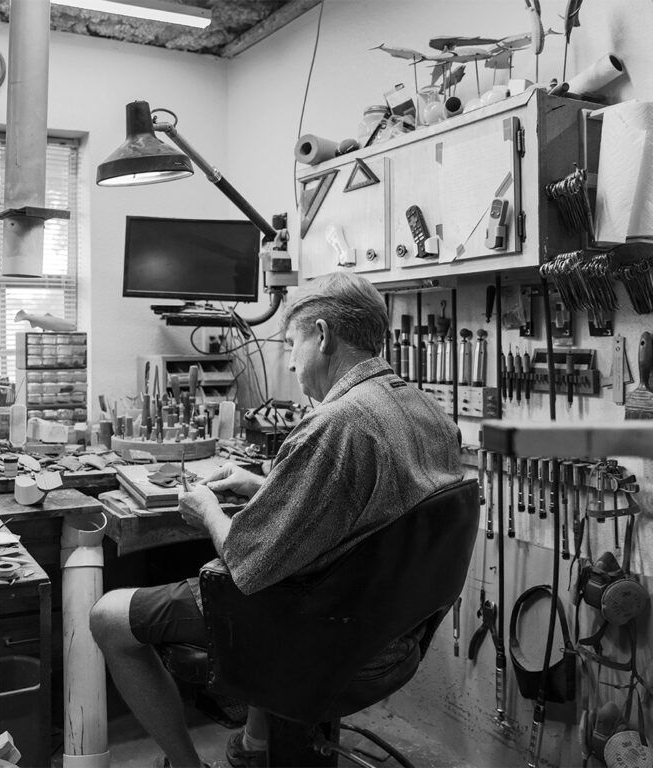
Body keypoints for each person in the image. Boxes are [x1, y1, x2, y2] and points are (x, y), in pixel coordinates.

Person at [89, 271, 464, 768]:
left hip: (324, 636)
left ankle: (186, 763)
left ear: (324, 335)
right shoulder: (428, 410)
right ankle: (255, 743)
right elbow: (364, 509)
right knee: (280, 589)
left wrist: (205, 509)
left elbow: (247, 561)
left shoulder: (336, 422)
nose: (289, 359)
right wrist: (264, 482)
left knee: (107, 618)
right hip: (393, 639)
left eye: (292, 343)